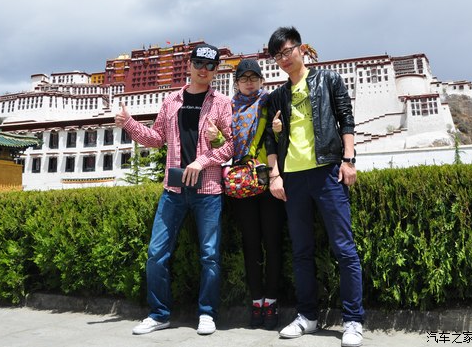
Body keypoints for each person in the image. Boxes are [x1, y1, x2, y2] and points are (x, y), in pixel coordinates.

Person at [116, 43, 233, 336]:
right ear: (189, 65)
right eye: (199, 64)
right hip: (174, 189)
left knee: (209, 255)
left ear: (216, 70)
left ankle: (207, 313)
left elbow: (232, 145)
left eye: (210, 66)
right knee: (156, 253)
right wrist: (129, 123)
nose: (204, 70)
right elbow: (157, 138)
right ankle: (159, 314)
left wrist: (202, 161)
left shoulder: (221, 103)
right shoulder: (171, 101)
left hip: (208, 189)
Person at [264, 27, 365, 346]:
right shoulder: (278, 96)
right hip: (293, 178)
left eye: (287, 51)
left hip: (327, 172)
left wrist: (348, 160)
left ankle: (353, 320)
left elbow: (346, 118)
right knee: (301, 251)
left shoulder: (328, 79)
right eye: (277, 55)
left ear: (302, 49)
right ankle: (307, 316)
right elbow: (270, 140)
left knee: (344, 248)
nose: (283, 59)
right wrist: (275, 175)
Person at [207, 59, 285, 330]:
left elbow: (280, 138)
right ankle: (256, 301)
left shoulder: (269, 102)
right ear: (236, 83)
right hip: (242, 182)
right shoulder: (230, 108)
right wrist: (216, 138)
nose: (249, 82)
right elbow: (228, 145)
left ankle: (271, 301)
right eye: (244, 78)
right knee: (250, 245)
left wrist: (279, 132)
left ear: (262, 80)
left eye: (254, 77)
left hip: (268, 177)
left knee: (272, 242)